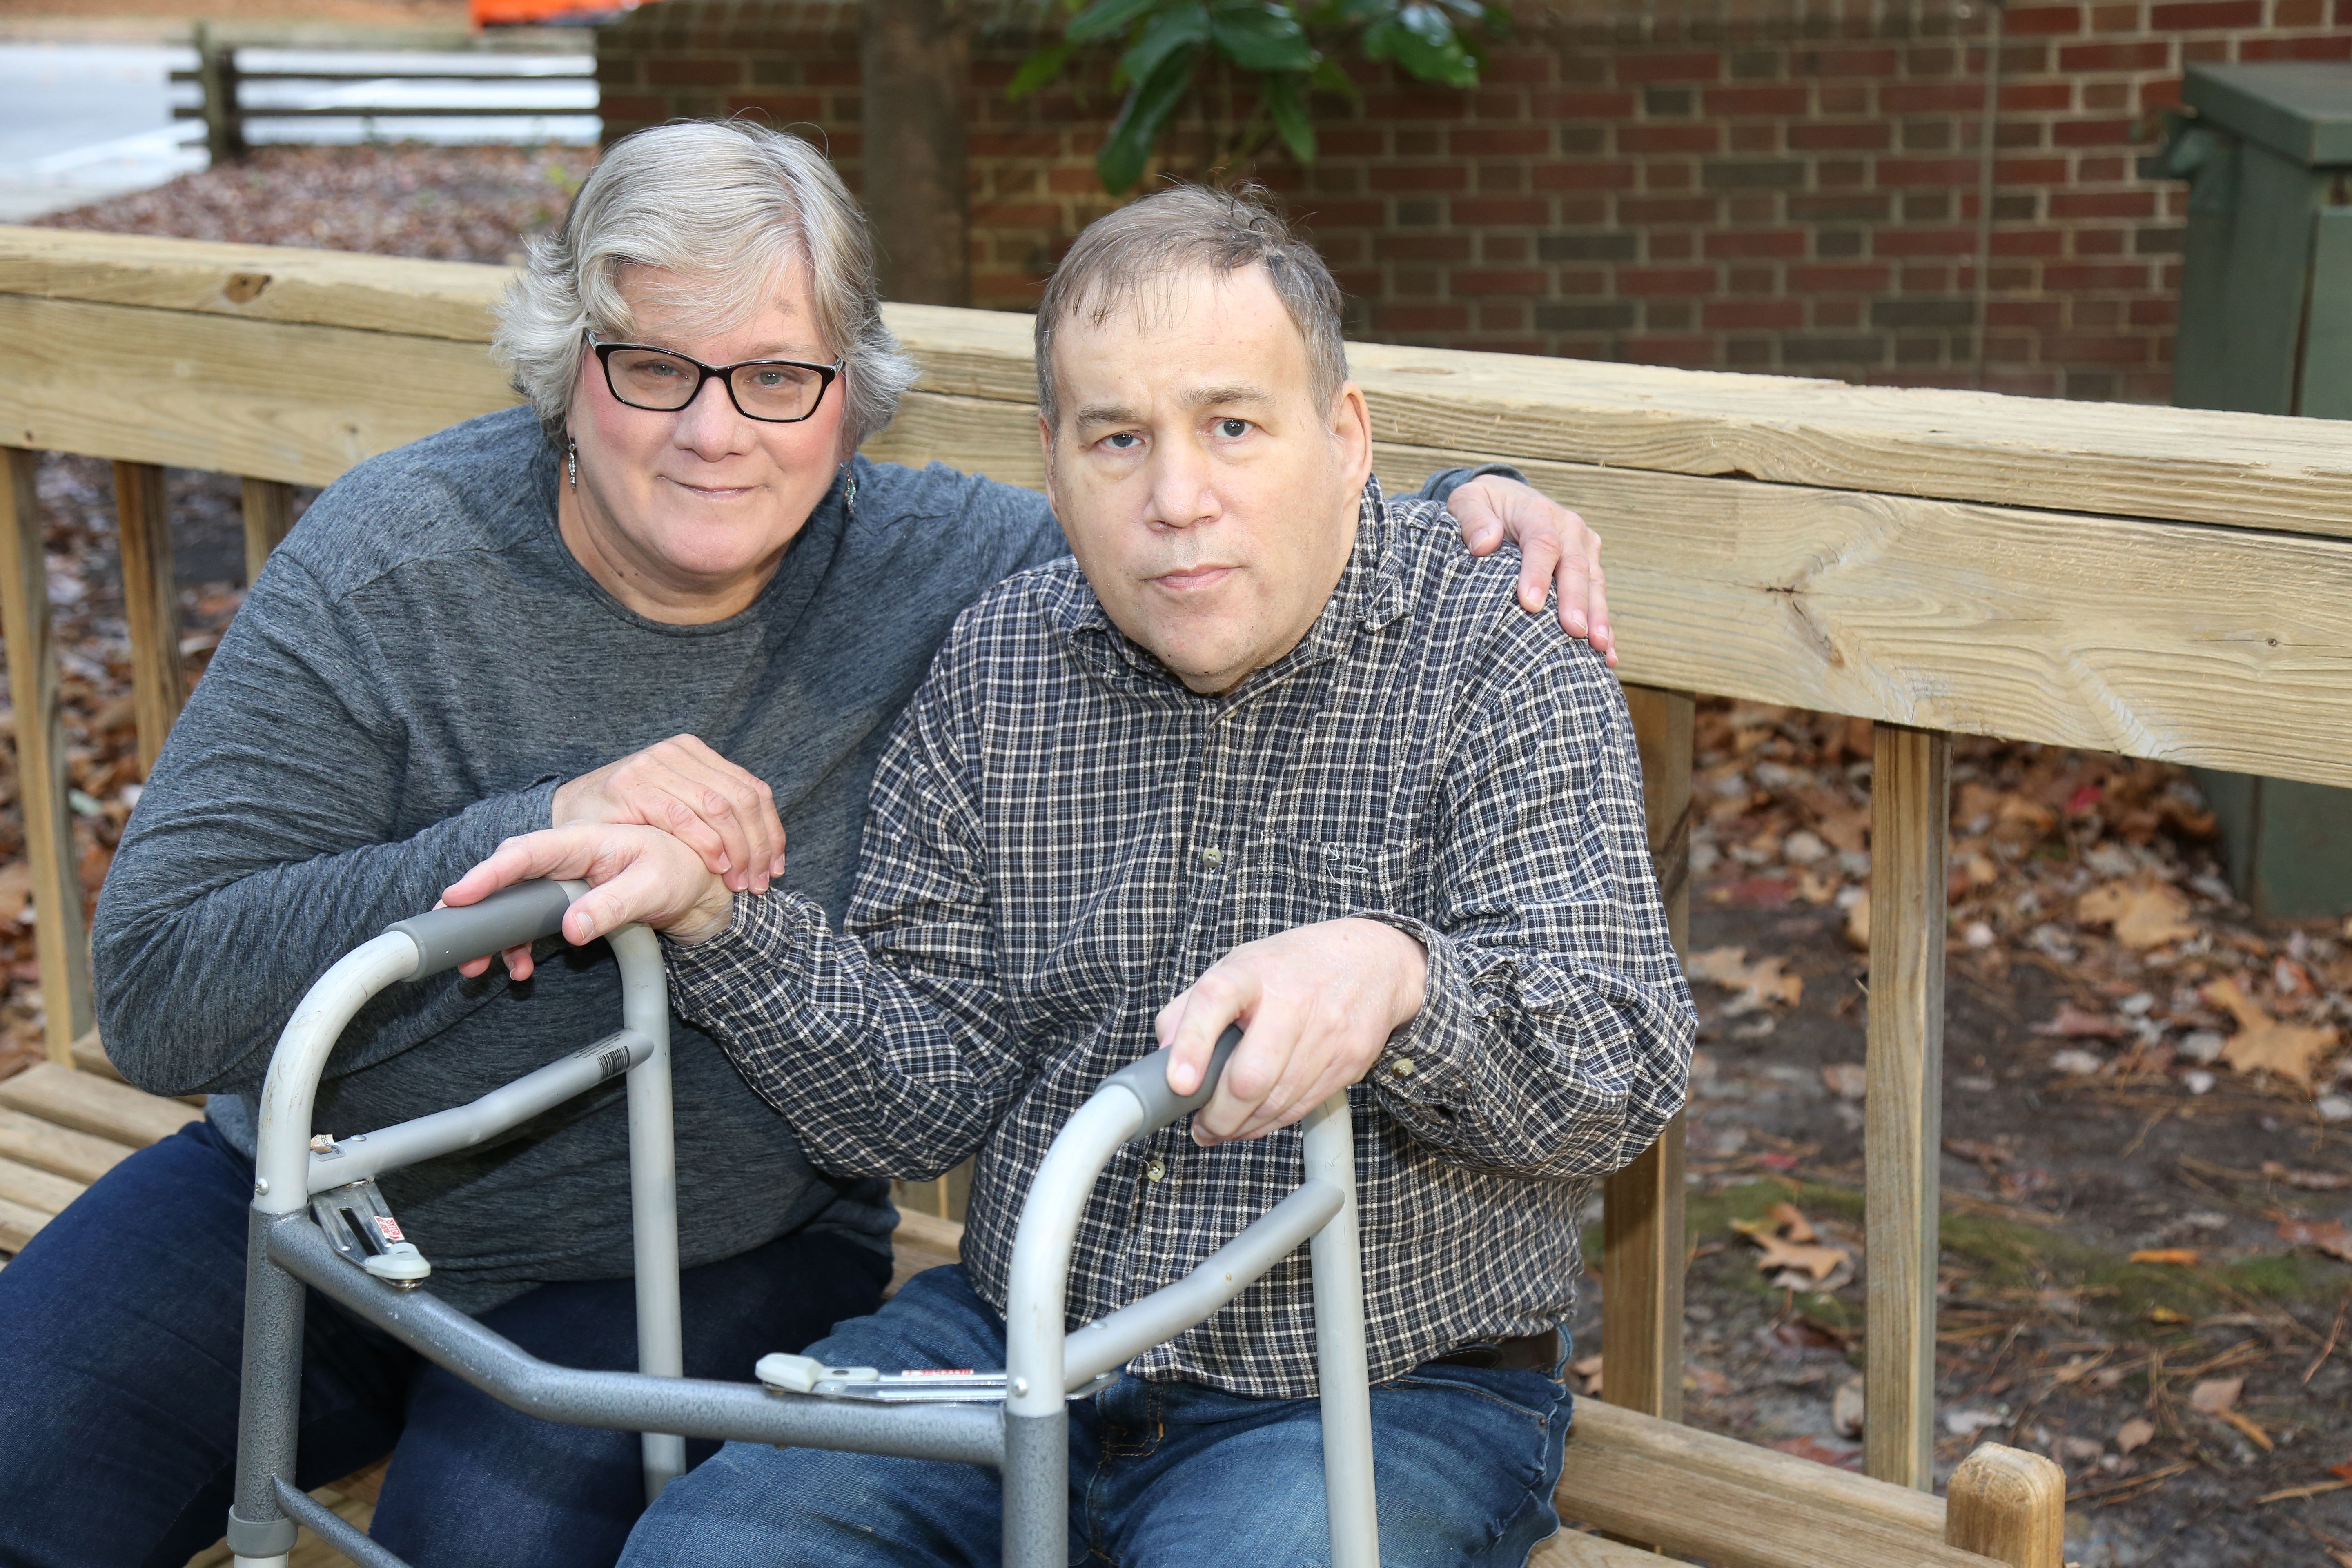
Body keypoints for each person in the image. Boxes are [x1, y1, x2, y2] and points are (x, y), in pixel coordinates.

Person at [0, 127, 1610, 1568]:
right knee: (23, 1448)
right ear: (569, 366)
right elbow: (151, 989)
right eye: (654, 367)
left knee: (486, 1528)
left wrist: (1470, 505)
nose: (718, 431)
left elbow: (1200, 521)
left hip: (713, 1244)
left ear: (851, 396)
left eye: (778, 375)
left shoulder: (945, 565)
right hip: (322, 1182)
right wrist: (523, 832)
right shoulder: (392, 565)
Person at [450, 184, 1696, 1568]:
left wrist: (1402, 981)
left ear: (1345, 439)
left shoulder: (1499, 656)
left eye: (1233, 424)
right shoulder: (1002, 664)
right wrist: (719, 925)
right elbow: (919, 1103)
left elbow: (1618, 1062)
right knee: (709, 1553)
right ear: (1054, 465)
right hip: (1020, 1334)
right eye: (1119, 438)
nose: (1177, 499)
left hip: (1378, 1379)